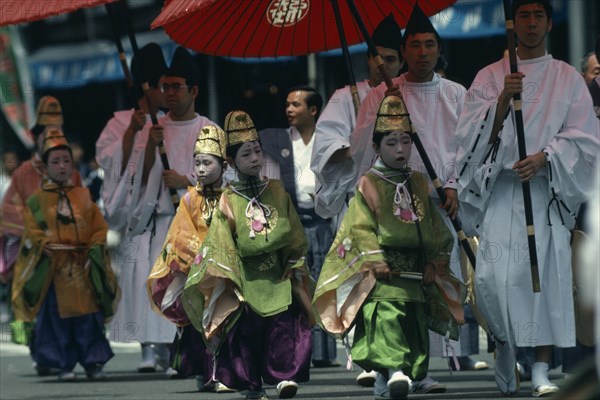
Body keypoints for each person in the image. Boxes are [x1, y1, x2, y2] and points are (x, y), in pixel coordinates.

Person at [455, 0, 599, 396]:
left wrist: (545, 157)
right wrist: (501, 101)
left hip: (544, 190)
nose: (531, 23)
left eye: (538, 15)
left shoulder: (567, 78)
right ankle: (504, 342)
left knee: (544, 281)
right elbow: (465, 138)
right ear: (512, 23)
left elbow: (585, 138)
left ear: (550, 23)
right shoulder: (489, 76)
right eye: (524, 16)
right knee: (493, 279)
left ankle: (540, 366)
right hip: (502, 191)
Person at [351, 4, 483, 393]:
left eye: (429, 44)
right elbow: (361, 150)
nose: (422, 52)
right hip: (396, 204)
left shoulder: (457, 94)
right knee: (392, 286)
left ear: (438, 49)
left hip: (442, 203)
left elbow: (467, 147)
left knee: (432, 285)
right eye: (415, 45)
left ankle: (419, 368)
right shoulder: (380, 94)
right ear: (403, 51)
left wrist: (455, 184)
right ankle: (384, 368)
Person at [313, 95, 463, 400]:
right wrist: (374, 258)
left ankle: (388, 378)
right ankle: (394, 372)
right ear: (377, 147)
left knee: (413, 326)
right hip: (383, 273)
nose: (399, 149)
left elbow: (434, 228)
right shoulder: (368, 182)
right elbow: (359, 226)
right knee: (386, 321)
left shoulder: (419, 181)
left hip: (415, 274)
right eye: (391, 143)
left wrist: (434, 262)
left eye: (405, 141)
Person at [182, 111, 314, 400]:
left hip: (277, 275)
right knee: (248, 336)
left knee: (284, 327)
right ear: (230, 162)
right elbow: (221, 241)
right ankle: (253, 385)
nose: (255, 158)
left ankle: (283, 378)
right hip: (246, 278)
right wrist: (230, 277)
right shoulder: (228, 199)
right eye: (246, 154)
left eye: (257, 151)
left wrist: (294, 260)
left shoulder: (277, 190)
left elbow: (293, 231)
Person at [11, 128, 119, 382]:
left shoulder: (83, 195)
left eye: (66, 161)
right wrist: (43, 244)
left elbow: (98, 227)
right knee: (56, 321)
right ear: (44, 167)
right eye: (55, 162)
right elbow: (31, 233)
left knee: (89, 320)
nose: (62, 166)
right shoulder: (36, 201)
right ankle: (64, 364)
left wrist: (94, 245)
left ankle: (93, 361)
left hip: (82, 269)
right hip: (54, 272)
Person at [96, 42, 173, 374]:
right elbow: (110, 164)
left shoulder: (172, 120)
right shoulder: (119, 122)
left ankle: (169, 350)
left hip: (167, 213)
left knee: (168, 281)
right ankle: (145, 348)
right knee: (138, 279)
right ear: (148, 87)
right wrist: (131, 132)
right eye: (160, 87)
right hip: (136, 216)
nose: (165, 93)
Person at [146, 125, 232, 393]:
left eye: (207, 162)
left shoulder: (233, 196)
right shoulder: (189, 199)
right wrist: (204, 256)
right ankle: (208, 373)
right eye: (197, 163)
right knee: (201, 325)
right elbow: (180, 237)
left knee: (229, 322)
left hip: (229, 270)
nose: (202, 169)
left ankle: (228, 372)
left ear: (224, 164)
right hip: (199, 270)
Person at [259, 86, 339, 368]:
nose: (289, 109)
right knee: (295, 283)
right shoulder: (278, 139)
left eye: (296, 105)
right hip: (291, 220)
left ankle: (325, 351)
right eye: (287, 104)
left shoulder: (328, 139)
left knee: (324, 281)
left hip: (321, 219)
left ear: (313, 110)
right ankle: (299, 349)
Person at [311, 14, 403, 230]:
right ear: (368, 59)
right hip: (359, 202)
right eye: (378, 58)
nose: (383, 67)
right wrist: (357, 146)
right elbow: (324, 149)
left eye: (390, 60)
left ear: (402, 62)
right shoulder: (344, 97)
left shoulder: (409, 96)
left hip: (403, 199)